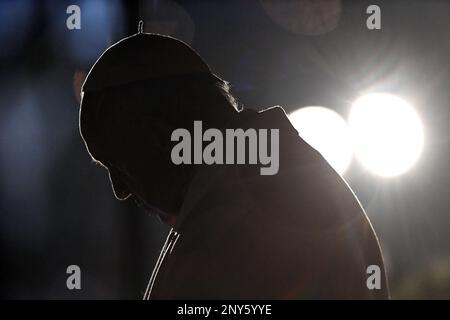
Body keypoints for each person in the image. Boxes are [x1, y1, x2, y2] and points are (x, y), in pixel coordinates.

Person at [79, 29, 389, 299]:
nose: (119, 189)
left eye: (117, 164)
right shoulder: (264, 176)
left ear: (159, 136)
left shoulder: (243, 214)